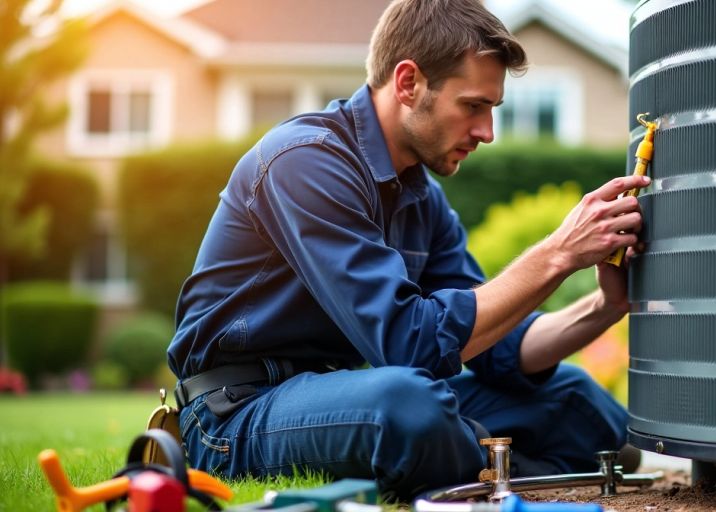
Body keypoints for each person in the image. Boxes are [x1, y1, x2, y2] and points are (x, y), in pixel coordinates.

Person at [168, 0, 648, 500]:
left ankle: (483, 464)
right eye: (473, 106)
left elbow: (497, 348)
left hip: (339, 396)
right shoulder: (304, 163)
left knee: (574, 402)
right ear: (408, 83)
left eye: (491, 109)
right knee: (406, 404)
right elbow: (409, 344)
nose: (487, 132)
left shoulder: (423, 199)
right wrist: (557, 253)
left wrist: (605, 306)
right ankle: (505, 473)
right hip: (235, 415)